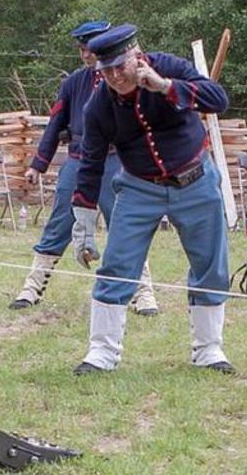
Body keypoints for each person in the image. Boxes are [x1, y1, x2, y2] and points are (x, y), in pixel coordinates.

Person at [70, 25, 233, 375]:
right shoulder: (97, 106)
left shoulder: (169, 66)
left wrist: (165, 87)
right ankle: (101, 352)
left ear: (137, 55)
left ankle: (209, 349)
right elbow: (90, 165)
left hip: (195, 180)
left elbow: (218, 99)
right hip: (138, 187)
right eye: (106, 70)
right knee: (116, 266)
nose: (115, 76)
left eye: (120, 66)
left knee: (211, 266)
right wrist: (83, 227)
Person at [11, 20, 158, 314]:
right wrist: (39, 165)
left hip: (116, 161)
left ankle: (142, 293)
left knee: (125, 226)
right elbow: (56, 124)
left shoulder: (126, 81)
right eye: (82, 50)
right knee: (59, 225)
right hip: (78, 159)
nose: (85, 56)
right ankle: (32, 287)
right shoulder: (73, 83)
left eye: (89, 50)